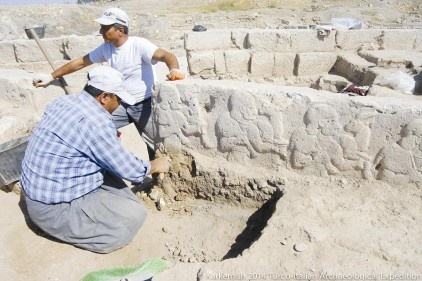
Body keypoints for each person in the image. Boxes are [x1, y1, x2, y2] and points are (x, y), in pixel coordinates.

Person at [21, 65, 172, 254]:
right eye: (118, 100)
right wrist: (157, 165)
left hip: (41, 189)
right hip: (52, 208)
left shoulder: (63, 102)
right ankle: (63, 230)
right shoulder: (96, 123)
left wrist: (106, 141)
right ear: (104, 97)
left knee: (111, 172)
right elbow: (131, 170)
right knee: (134, 217)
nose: (119, 106)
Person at [32, 7, 185, 159]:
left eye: (105, 28)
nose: (101, 31)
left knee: (156, 145)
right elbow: (80, 62)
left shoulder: (138, 45)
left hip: (144, 104)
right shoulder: (107, 48)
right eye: (101, 27)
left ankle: (159, 179)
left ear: (120, 30)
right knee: (96, 130)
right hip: (120, 104)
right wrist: (51, 76)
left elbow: (166, 55)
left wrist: (174, 70)